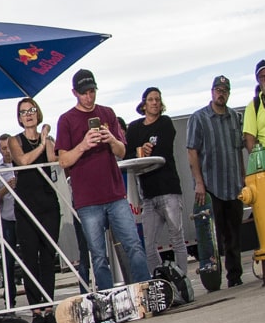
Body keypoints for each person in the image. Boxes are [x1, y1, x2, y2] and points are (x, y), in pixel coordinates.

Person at [57, 70, 150, 291]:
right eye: (84, 93)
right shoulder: (67, 119)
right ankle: (108, 299)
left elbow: (122, 151)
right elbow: (63, 160)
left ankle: (143, 291)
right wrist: (83, 145)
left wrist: (111, 140)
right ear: (74, 93)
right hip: (87, 200)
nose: (89, 97)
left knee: (134, 245)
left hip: (115, 193)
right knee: (98, 255)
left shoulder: (107, 113)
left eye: (92, 92)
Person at [126, 88, 191, 294]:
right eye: (150, 100)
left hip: (168, 189)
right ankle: (160, 286)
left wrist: (145, 151)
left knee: (177, 238)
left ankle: (182, 282)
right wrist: (139, 151)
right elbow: (127, 152)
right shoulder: (134, 127)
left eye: (157, 100)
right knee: (149, 243)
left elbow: (162, 150)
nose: (154, 103)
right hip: (148, 193)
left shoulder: (165, 123)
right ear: (143, 104)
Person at [187, 76, 248, 289]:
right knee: (213, 238)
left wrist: (243, 177)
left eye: (225, 90)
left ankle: (235, 277)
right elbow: (192, 152)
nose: (221, 93)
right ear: (212, 92)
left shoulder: (235, 117)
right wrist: (199, 183)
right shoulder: (199, 118)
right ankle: (213, 281)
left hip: (233, 185)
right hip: (211, 187)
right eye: (218, 89)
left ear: (229, 93)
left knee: (234, 235)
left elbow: (239, 150)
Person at [5, 100, 62, 322]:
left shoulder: (46, 139)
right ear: (19, 117)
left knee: (48, 256)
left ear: (38, 113)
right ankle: (35, 309)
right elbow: (24, 160)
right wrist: (42, 141)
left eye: (31, 111)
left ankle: (48, 306)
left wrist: (46, 139)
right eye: (23, 112)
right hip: (26, 204)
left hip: (47, 202)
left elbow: (51, 160)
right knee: (30, 258)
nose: (28, 115)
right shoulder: (14, 140)